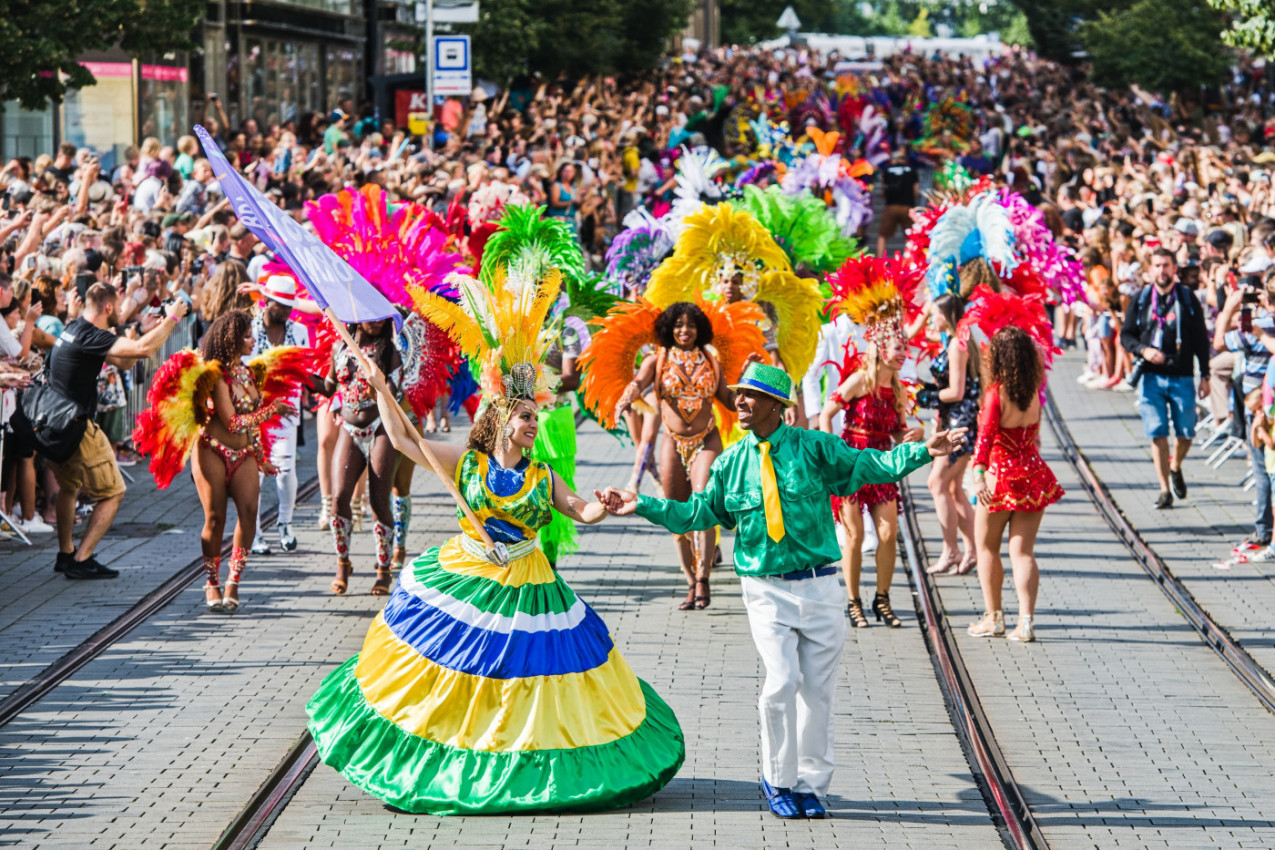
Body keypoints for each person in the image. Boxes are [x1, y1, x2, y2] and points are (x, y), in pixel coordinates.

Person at [306, 249, 684, 816]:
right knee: (462, 674)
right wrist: (384, 391)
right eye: (526, 416)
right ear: (503, 418)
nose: (535, 424)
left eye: (537, 416)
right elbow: (407, 444)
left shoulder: (542, 474)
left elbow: (579, 512)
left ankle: (518, 769)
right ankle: (444, 760)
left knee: (522, 683)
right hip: (470, 573)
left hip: (529, 579)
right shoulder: (467, 461)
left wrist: (607, 506)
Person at [600, 362, 967, 819]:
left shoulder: (814, 448)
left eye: (751, 395)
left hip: (820, 587)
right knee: (781, 683)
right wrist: (643, 506)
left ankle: (811, 786)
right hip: (765, 590)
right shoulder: (731, 462)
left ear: (777, 405)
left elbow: (869, 464)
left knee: (817, 692)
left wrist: (922, 453)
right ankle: (777, 780)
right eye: (738, 394)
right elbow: (698, 513)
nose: (740, 402)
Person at [10, 282, 188, 578]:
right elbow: (143, 350)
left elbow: (126, 360)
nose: (120, 311)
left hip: (55, 422)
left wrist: (141, 331)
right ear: (107, 307)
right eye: (118, 307)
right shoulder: (92, 335)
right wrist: (172, 318)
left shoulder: (76, 328)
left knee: (69, 487)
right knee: (113, 492)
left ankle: (66, 554)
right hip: (74, 425)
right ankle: (82, 559)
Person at [612, 302, 752, 609]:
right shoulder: (657, 359)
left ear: (700, 328)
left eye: (690, 325)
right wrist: (625, 398)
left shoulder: (711, 359)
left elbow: (727, 398)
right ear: (668, 329)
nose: (684, 330)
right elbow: (638, 383)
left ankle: (703, 578)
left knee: (703, 502)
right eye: (678, 325)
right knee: (675, 512)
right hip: (673, 441)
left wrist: (745, 385)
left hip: (707, 440)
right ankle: (690, 580)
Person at [818, 337, 923, 628]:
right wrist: (830, 453)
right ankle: (853, 602)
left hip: (880, 464)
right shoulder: (860, 381)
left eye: (905, 348)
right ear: (881, 351)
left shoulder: (899, 389)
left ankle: (882, 599)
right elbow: (828, 412)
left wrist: (911, 437)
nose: (904, 354)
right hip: (851, 463)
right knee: (855, 535)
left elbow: (898, 434)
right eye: (899, 348)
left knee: (889, 534)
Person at [191, 311, 292, 611]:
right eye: (247, 335)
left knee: (249, 513)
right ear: (231, 340)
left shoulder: (248, 375)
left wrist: (262, 459)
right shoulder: (216, 376)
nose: (252, 340)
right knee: (215, 518)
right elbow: (233, 423)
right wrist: (271, 410)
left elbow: (248, 428)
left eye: (251, 334)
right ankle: (211, 581)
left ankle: (233, 580)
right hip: (212, 450)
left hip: (244, 452)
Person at [968, 327, 1064, 641]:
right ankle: (1026, 623)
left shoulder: (996, 394)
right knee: (1023, 553)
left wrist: (978, 475)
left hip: (1000, 477)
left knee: (986, 548)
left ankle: (993, 616)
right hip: (1033, 474)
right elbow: (1034, 435)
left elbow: (984, 441)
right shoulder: (1035, 390)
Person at [1119, 248, 1211, 510]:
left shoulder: (1186, 298)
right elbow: (1126, 335)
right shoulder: (1141, 299)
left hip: (1181, 375)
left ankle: (1175, 465)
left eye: (1166, 265)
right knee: (1157, 433)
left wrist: (1205, 375)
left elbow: (1201, 339)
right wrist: (1143, 350)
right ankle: (1164, 489)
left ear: (1174, 269)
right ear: (1151, 269)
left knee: (1186, 432)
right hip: (1151, 377)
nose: (1162, 270)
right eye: (1157, 265)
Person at [322, 318, 401, 596]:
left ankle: (383, 571)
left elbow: (395, 394)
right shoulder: (339, 349)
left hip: (381, 427)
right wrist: (295, 376)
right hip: (349, 428)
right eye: (371, 316)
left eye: (382, 317)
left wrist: (378, 389)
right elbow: (327, 388)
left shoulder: (390, 351)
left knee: (379, 498)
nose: (378, 322)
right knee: (340, 496)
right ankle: (343, 564)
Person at [248, 276, 310, 555]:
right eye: (281, 305)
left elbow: (306, 370)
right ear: (267, 302)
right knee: (255, 475)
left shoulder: (299, 330)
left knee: (286, 470)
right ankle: (254, 532)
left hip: (286, 410)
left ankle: (285, 523)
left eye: (290, 306)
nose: (287, 311)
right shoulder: (248, 329)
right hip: (254, 412)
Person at [920, 293, 979, 574]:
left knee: (937, 484)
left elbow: (956, 391)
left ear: (947, 315)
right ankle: (973, 550)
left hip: (959, 425)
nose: (932, 318)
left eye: (936, 313)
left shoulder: (957, 344)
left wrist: (925, 398)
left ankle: (952, 550)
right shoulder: (954, 340)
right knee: (954, 490)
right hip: (952, 421)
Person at [877, 147, 918, 256]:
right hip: (907, 207)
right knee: (911, 236)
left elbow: (884, 189)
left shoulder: (887, 169)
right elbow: (915, 189)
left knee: (882, 235)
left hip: (891, 206)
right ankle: (909, 262)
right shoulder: (911, 169)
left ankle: (879, 261)